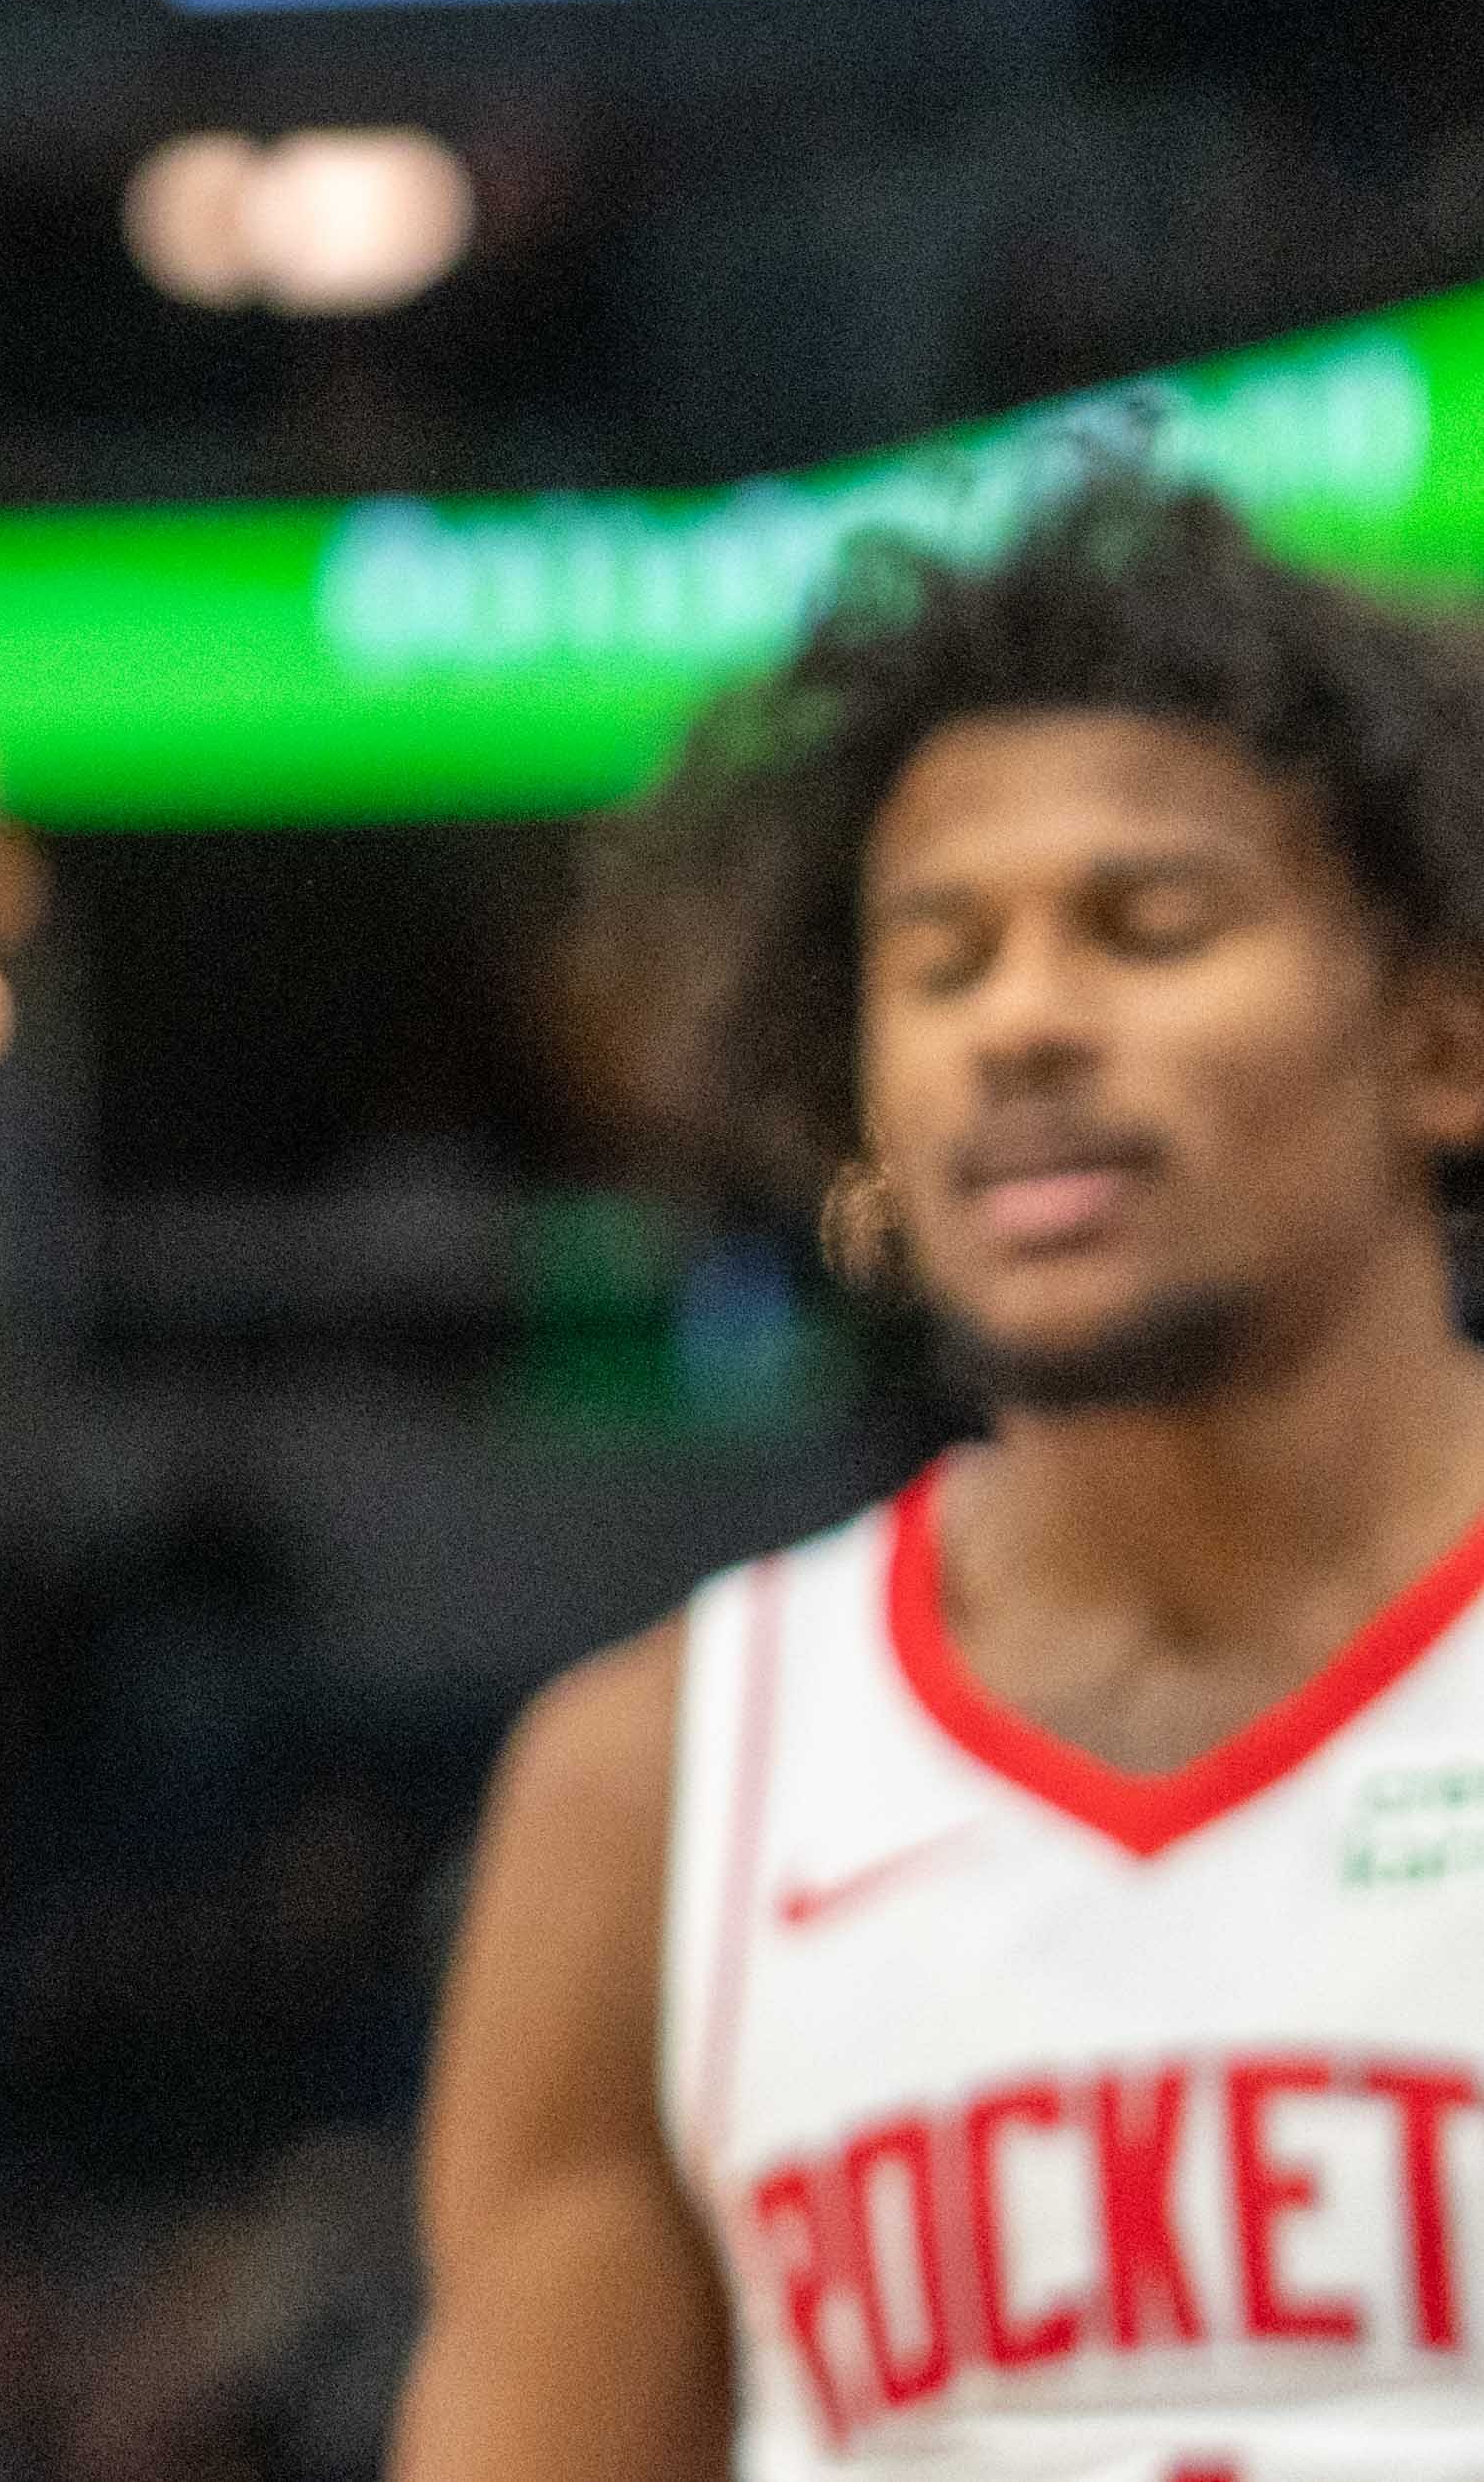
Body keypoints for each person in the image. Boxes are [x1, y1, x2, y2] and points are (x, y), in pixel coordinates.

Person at [401, 479, 1484, 2480]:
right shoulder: (651, 1790)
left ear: (1440, 1030)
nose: (1026, 1020)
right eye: (942, 956)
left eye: (1150, 922)